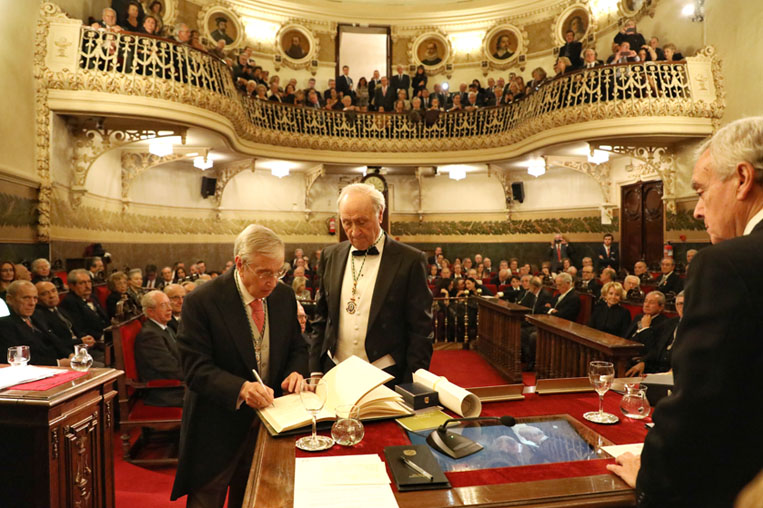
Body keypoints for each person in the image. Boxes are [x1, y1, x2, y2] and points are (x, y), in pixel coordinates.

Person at [608, 117, 763, 506]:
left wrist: (650, 478)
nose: (696, 210)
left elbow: (700, 410)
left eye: (701, 190)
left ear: (742, 179)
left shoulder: (727, 265)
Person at [170, 224, 308, 506]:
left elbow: (297, 346)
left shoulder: (283, 296)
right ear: (240, 264)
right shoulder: (202, 301)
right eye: (264, 272)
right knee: (207, 500)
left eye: (278, 272)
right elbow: (195, 369)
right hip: (216, 427)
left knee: (253, 499)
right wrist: (242, 388)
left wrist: (296, 371)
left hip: (269, 422)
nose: (272, 281)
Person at [310, 183, 433, 384]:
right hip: (334, 369)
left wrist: (412, 383)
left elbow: (421, 330)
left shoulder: (410, 260)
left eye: (362, 222)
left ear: (380, 214)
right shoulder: (330, 256)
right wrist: (315, 369)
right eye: (347, 223)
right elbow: (321, 318)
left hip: (386, 372)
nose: (354, 232)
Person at [0, 281, 73, 366]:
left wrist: (70, 355)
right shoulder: (4, 325)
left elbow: (55, 341)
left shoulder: (37, 315)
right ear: (9, 299)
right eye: (26, 298)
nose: (32, 303)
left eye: (35, 298)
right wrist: (59, 363)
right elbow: (18, 358)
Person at [134, 290, 185, 407]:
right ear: (150, 311)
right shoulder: (149, 335)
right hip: (165, 392)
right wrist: (196, 376)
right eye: (163, 305)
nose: (169, 309)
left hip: (176, 385)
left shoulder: (164, 328)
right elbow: (169, 368)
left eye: (169, 304)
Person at [625, 291, 683, 376]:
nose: (646, 305)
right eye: (678, 304)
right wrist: (644, 362)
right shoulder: (671, 323)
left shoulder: (663, 322)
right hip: (638, 359)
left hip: (669, 369)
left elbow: (651, 346)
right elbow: (657, 349)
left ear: (661, 307)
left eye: (651, 303)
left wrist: (645, 328)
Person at [59, 269, 109, 342]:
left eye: (89, 282)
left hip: (105, 335)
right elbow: (79, 329)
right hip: (92, 341)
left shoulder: (93, 297)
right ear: (72, 286)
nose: (87, 286)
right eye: (82, 283)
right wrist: (101, 337)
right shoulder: (70, 302)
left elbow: (103, 318)